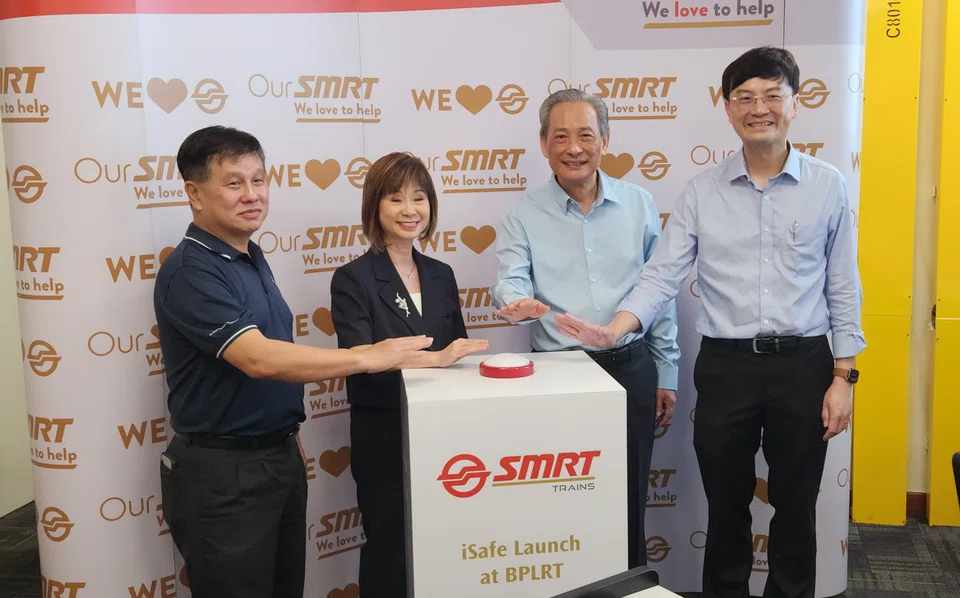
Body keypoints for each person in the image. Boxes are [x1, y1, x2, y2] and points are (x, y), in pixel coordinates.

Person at [554, 46, 865, 598]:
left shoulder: (827, 185)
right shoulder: (702, 190)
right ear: (727, 109)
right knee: (725, 505)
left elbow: (842, 284)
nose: (758, 107)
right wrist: (617, 328)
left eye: (772, 94)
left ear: (795, 103)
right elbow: (659, 276)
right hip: (726, 367)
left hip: (805, 364)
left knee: (796, 504)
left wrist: (844, 376)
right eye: (744, 96)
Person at [153, 126, 432, 598]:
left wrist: (288, 437)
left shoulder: (249, 257)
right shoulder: (191, 270)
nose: (251, 195)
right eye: (234, 183)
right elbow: (258, 358)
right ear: (194, 193)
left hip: (274, 459)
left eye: (259, 180)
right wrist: (368, 355)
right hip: (223, 474)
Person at [489, 88, 681, 570]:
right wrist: (514, 303)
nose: (574, 147)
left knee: (631, 490)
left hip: (633, 369)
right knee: (563, 493)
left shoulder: (639, 204)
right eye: (561, 136)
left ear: (606, 139)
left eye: (585, 135)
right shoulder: (523, 213)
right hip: (561, 373)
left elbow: (658, 293)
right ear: (543, 144)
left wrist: (666, 372)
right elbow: (510, 277)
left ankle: (632, 582)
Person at [330, 151, 489, 598]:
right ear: (374, 208)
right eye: (395, 199)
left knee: (445, 541)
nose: (409, 210)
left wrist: (453, 362)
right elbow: (358, 359)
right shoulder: (353, 278)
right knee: (389, 544)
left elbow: (455, 351)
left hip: (444, 433)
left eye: (419, 198)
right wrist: (435, 359)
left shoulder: (442, 274)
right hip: (384, 433)